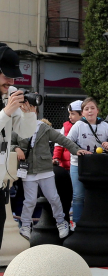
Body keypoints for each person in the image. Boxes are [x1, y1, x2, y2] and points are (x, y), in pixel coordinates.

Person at [11, 119, 90, 240]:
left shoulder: (44, 127)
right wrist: (16, 148)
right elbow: (9, 143)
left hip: (45, 168)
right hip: (28, 169)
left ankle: (61, 222)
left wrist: (76, 149)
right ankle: (26, 226)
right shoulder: (18, 128)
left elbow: (62, 139)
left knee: (53, 197)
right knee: (30, 200)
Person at [0, 43, 37, 249]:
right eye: (6, 75)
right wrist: (6, 112)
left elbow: (25, 133)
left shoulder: (10, 93)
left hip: (1, 183)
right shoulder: (7, 102)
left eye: (14, 76)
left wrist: (29, 113)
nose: (11, 81)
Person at [66, 97, 108, 225]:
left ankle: (95, 221)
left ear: (97, 110)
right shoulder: (78, 126)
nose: (90, 111)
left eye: (92, 108)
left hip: (98, 165)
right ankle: (77, 223)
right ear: (82, 113)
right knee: (78, 196)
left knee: (96, 195)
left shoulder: (105, 126)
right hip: (78, 164)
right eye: (86, 109)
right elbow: (68, 142)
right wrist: (78, 150)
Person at [52, 100, 83, 170]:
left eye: (72, 114)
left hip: (83, 165)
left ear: (81, 113)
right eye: (69, 114)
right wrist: (56, 158)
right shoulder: (65, 127)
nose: (69, 117)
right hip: (66, 167)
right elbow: (58, 145)